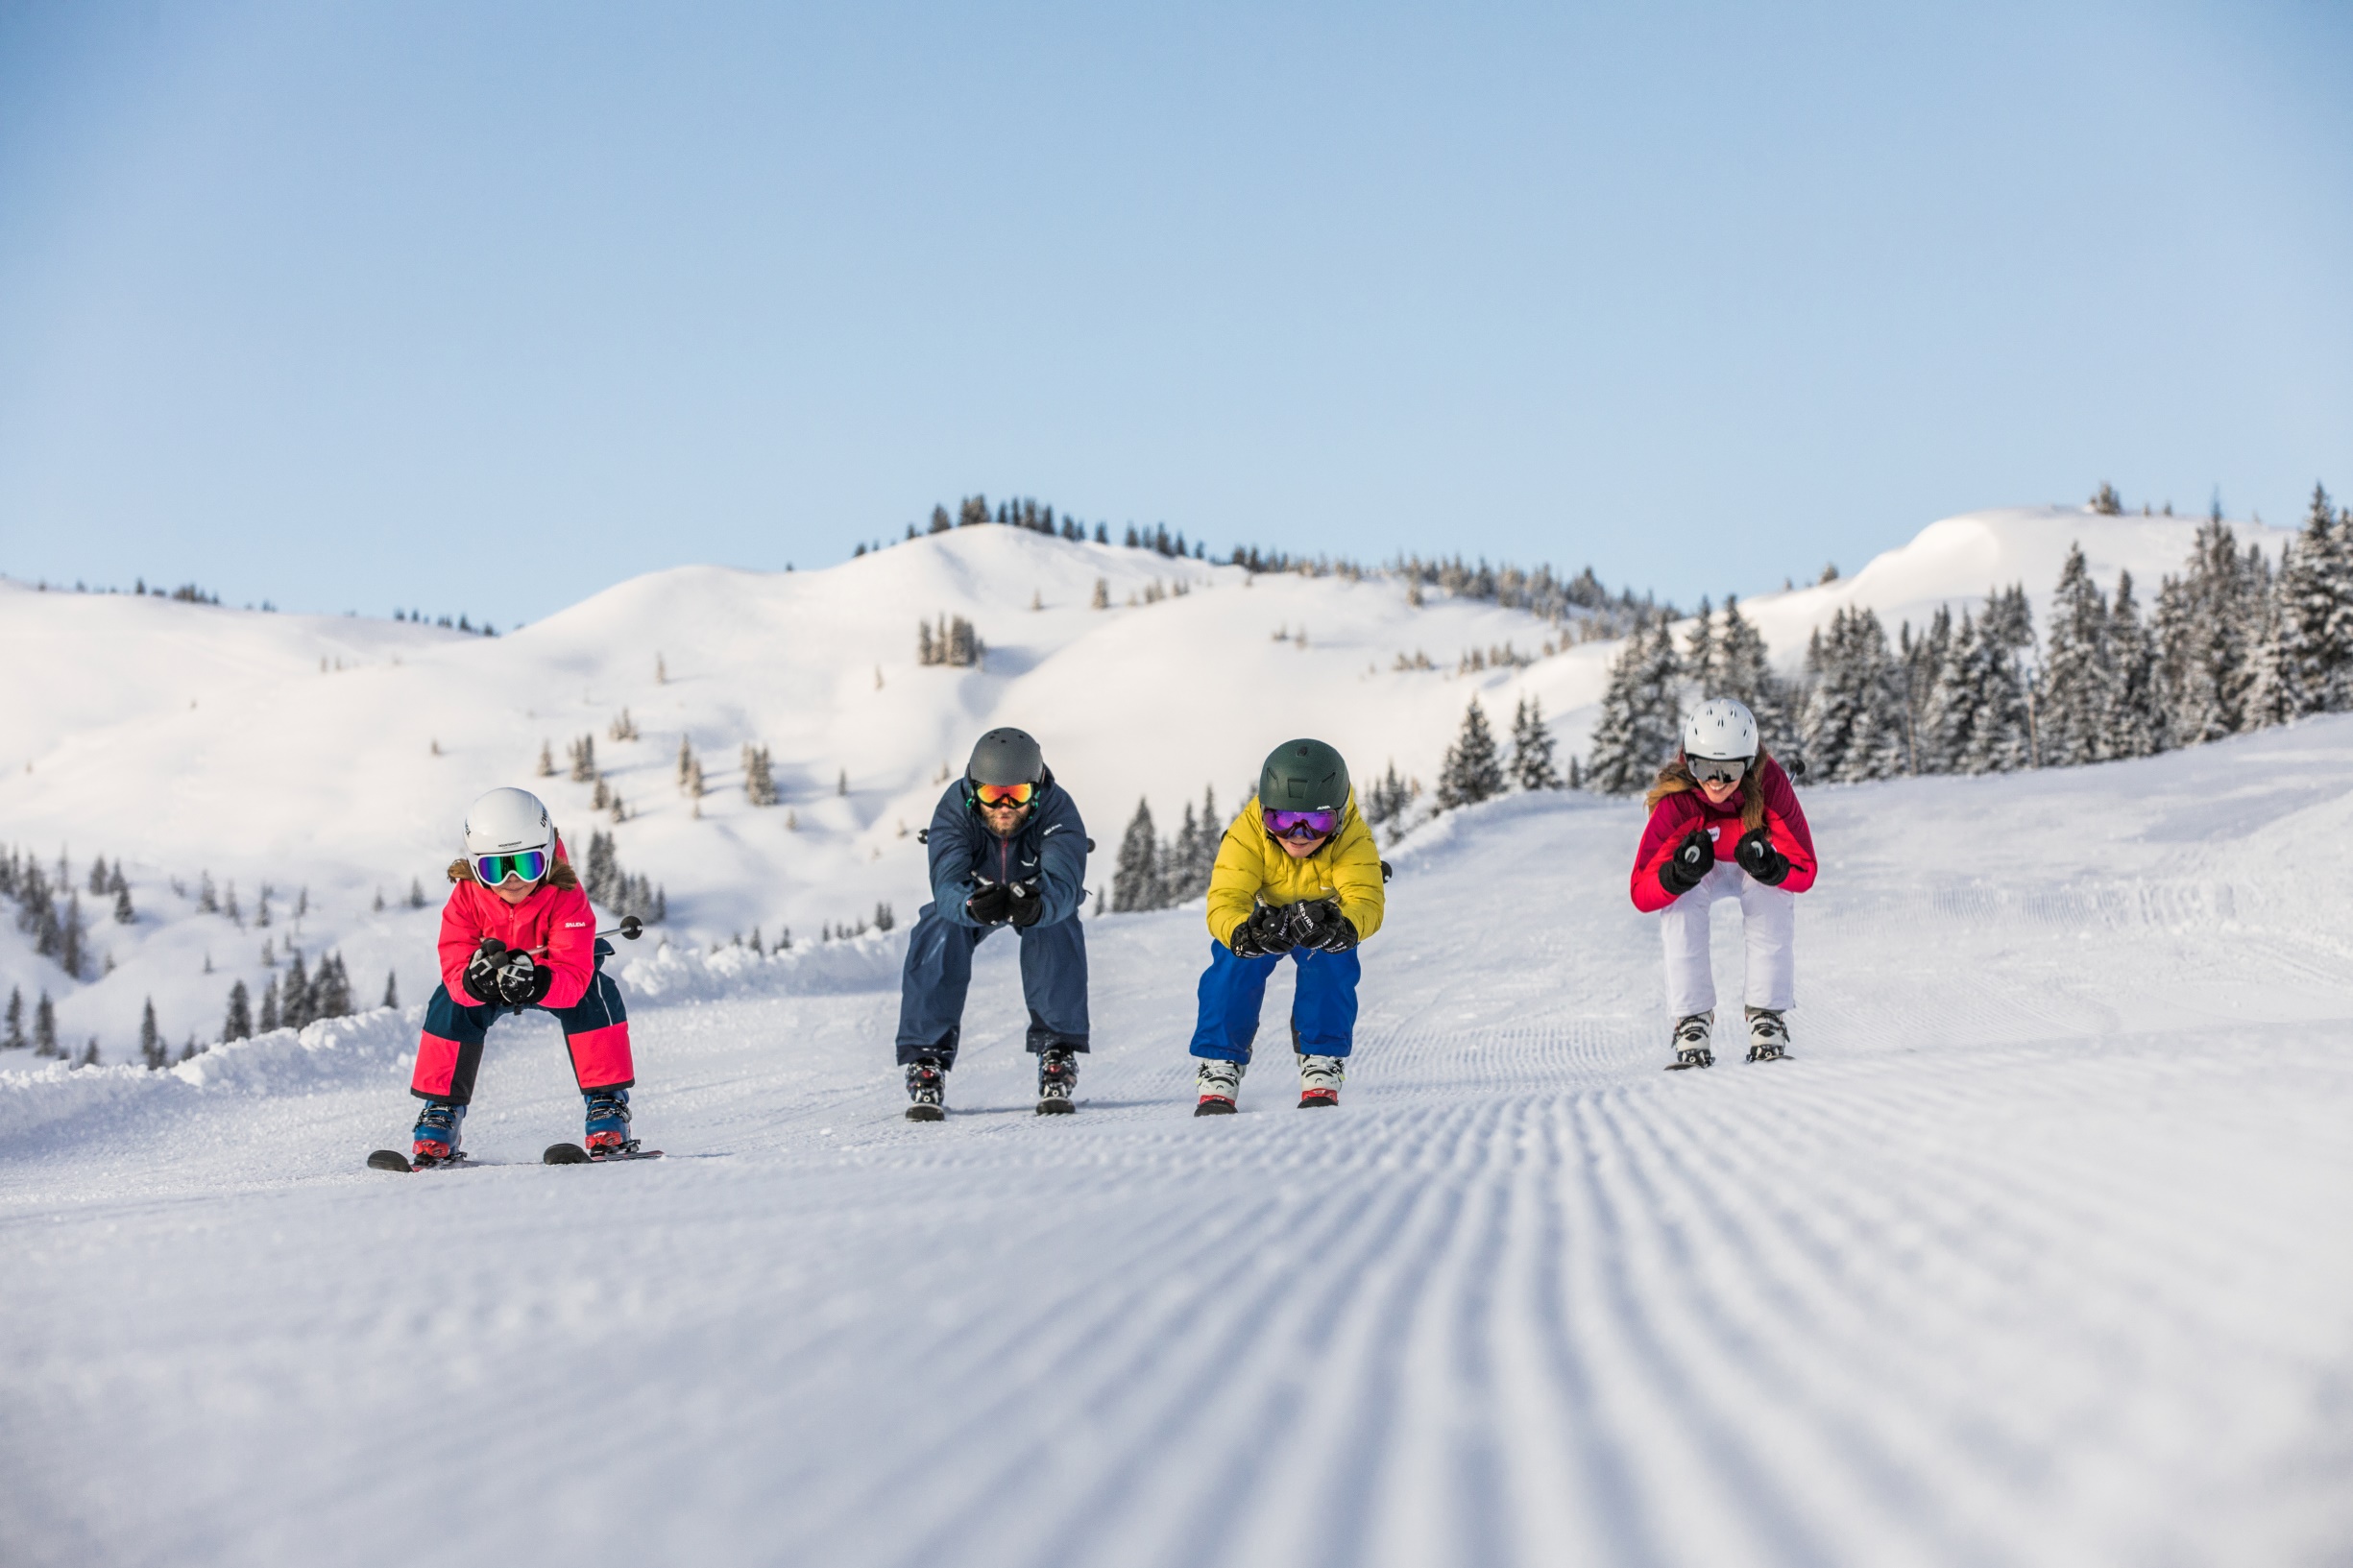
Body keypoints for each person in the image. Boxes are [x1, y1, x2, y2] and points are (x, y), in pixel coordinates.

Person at [400, 786, 640, 1163]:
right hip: (492, 981)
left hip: (550, 976)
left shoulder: (565, 894)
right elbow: (453, 962)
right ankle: (442, 1111)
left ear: (547, 856)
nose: (512, 879)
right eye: (495, 869)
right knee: (448, 1004)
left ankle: (607, 1104)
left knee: (597, 993)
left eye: (526, 865)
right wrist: (471, 982)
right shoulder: (466, 897)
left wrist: (537, 981)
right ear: (474, 865)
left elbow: (573, 977)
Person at [896, 727, 1090, 1119]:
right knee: (937, 926)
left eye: (1016, 795)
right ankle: (927, 1058)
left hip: (1034, 894)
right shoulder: (953, 810)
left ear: (1036, 788)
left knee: (1058, 924)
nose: (1003, 806)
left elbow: (1066, 883)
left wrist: (1041, 906)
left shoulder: (1058, 810)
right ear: (973, 789)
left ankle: (1057, 1049)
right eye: (990, 794)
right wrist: (968, 905)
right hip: (978, 894)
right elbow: (946, 883)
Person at [1190, 738, 1385, 1115]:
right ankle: (1219, 1064)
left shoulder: (1352, 837)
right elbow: (1225, 899)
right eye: (1281, 820)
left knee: (1332, 961)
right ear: (1263, 813)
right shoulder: (1245, 833)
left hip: (1322, 918)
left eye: (1317, 822)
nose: (1298, 835)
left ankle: (1322, 1059)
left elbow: (1366, 898)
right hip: (1265, 918)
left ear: (1340, 816)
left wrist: (1343, 927)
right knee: (1233, 963)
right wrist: (1241, 932)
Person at [1628, 698, 1817, 1069]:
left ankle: (1767, 1017)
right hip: (1703, 867)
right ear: (1689, 760)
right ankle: (1692, 1021)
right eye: (1704, 767)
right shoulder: (1676, 801)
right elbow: (1641, 891)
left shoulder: (1771, 785)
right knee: (1680, 904)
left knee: (1772, 895)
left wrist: (1772, 868)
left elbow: (1804, 869)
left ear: (1747, 764)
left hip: (1752, 863)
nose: (1716, 782)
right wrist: (1675, 876)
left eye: (1729, 770)